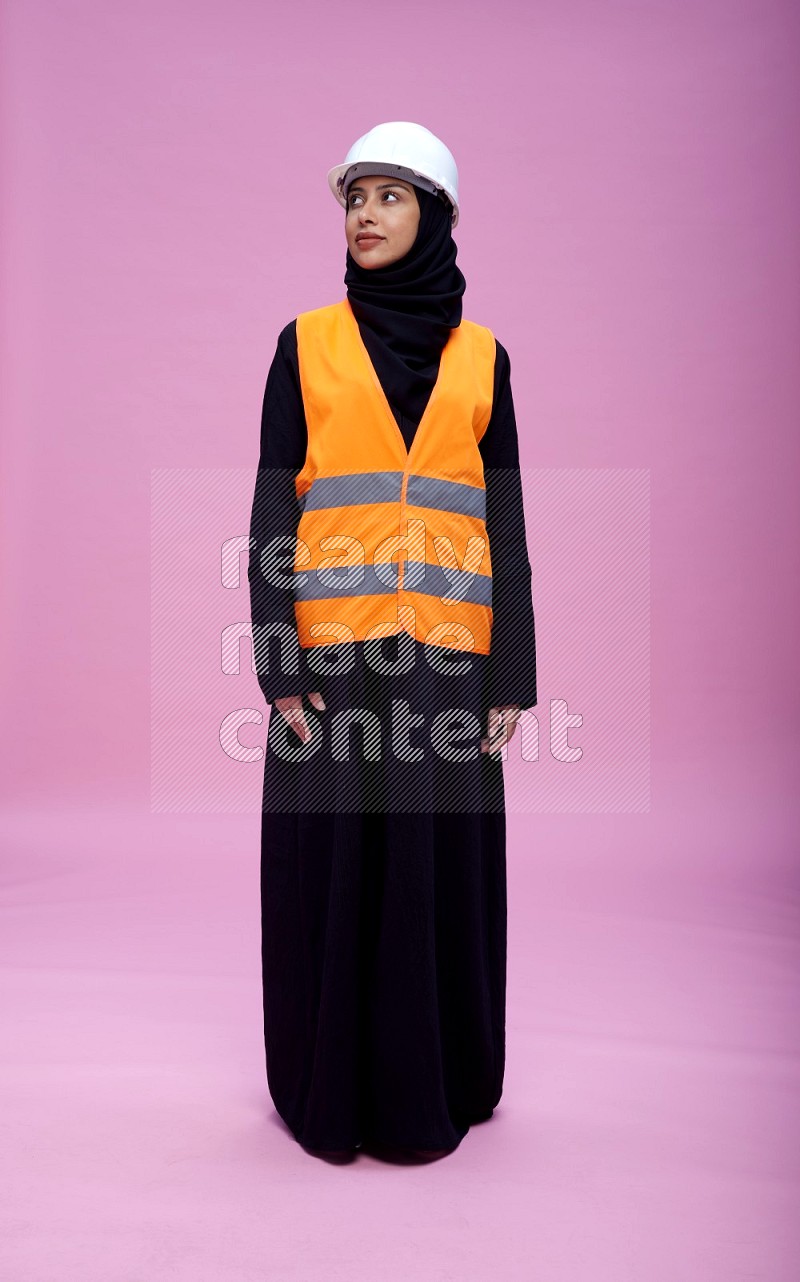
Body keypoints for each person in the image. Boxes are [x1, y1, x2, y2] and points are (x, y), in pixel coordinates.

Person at [248, 121, 537, 1162]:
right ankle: (329, 1091)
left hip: (450, 667)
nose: (364, 215)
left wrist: (514, 672)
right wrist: (277, 660)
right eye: (353, 198)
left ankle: (438, 1083)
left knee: (431, 874)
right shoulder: (305, 344)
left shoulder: (483, 360)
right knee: (335, 871)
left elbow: (502, 524)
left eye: (388, 197)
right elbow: (272, 512)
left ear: (435, 217)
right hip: (331, 668)